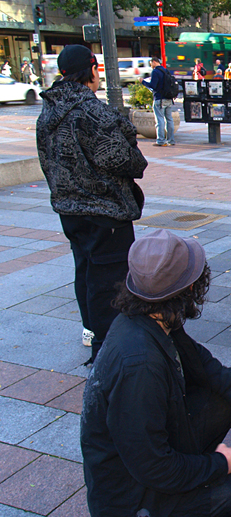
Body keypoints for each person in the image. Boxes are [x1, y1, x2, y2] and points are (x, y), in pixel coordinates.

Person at [81, 229, 231, 517]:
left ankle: (197, 471)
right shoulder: (138, 366)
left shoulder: (153, 314)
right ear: (188, 289)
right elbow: (154, 467)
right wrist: (220, 464)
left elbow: (197, 359)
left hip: (153, 456)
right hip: (133, 506)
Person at [37, 45, 147, 361]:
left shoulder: (48, 112)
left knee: (85, 268)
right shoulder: (92, 112)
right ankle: (107, 347)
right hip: (104, 211)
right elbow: (125, 160)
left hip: (69, 210)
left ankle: (92, 330)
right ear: (92, 71)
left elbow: (48, 161)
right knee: (109, 279)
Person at [140, 57, 175, 147]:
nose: (151, 65)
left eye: (151, 63)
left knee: (160, 120)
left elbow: (153, 86)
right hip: (169, 98)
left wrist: (143, 82)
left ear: (154, 62)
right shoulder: (166, 71)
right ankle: (171, 140)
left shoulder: (155, 72)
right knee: (169, 119)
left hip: (159, 98)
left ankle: (161, 140)